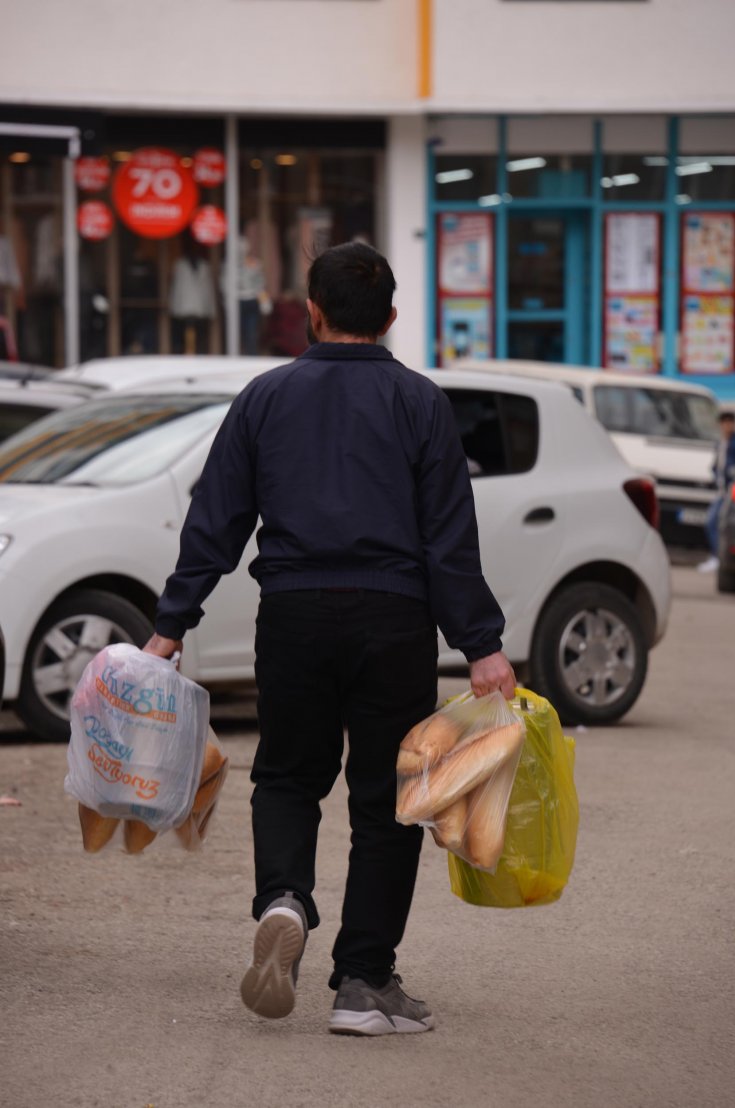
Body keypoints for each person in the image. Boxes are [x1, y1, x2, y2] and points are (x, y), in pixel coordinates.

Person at [142, 242, 515, 1036]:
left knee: (286, 776)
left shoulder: (265, 397)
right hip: (394, 622)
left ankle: (284, 898)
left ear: (311, 309)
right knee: (386, 803)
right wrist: (481, 644)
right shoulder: (420, 403)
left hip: (295, 614)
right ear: (389, 318)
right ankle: (364, 984)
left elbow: (218, 518)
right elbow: (449, 539)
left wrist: (171, 625)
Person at [697, 410, 735, 572]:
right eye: (724, 423)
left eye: (730, 423)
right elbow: (717, 465)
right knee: (713, 523)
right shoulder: (720, 442)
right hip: (722, 491)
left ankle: (718, 558)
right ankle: (717, 557)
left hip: (733, 491)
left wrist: (731, 476)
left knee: (716, 522)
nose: (727, 426)